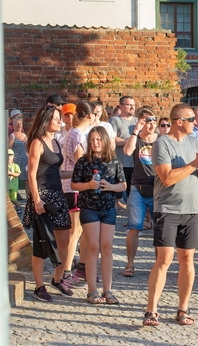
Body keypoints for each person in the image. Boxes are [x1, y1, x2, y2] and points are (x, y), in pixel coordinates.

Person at [143, 103, 198, 327]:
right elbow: (167, 178)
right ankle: (151, 310)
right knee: (164, 260)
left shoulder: (194, 141)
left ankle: (183, 309)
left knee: (187, 260)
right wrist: (195, 163)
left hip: (192, 208)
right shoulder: (161, 143)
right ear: (179, 121)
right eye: (191, 119)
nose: (196, 122)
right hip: (168, 208)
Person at [22, 105, 73, 300]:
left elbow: (57, 173)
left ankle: (57, 279)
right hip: (42, 196)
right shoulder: (37, 142)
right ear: (46, 121)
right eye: (56, 119)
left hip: (57, 194)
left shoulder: (56, 143)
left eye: (59, 118)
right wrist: (36, 200)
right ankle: (38, 286)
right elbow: (31, 173)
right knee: (42, 243)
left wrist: (76, 173)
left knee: (65, 240)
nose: (59, 121)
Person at [71, 126, 126, 304]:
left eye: (98, 139)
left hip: (109, 208)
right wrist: (88, 185)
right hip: (89, 207)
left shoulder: (114, 161)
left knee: (107, 247)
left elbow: (123, 185)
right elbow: (74, 185)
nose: (95, 143)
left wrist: (110, 187)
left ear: (104, 140)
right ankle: (92, 290)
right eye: (92, 140)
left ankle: (108, 290)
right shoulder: (83, 161)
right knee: (93, 246)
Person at [121, 107, 158, 278]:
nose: (151, 124)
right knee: (134, 228)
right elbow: (127, 151)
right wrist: (135, 131)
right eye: (147, 121)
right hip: (138, 187)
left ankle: (159, 265)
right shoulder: (136, 139)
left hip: (158, 188)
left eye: (153, 120)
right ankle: (130, 264)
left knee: (160, 228)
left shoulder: (161, 140)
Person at [60, 101, 93, 286]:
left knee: (79, 231)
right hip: (74, 188)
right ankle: (67, 272)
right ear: (89, 116)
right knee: (75, 232)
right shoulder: (77, 134)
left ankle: (79, 267)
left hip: (72, 186)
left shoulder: (73, 133)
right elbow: (81, 162)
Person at [109, 95, 138, 204]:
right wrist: (128, 142)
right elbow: (112, 138)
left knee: (133, 195)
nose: (132, 107)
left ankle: (131, 219)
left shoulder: (138, 121)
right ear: (120, 106)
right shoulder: (115, 120)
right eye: (129, 105)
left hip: (135, 163)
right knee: (117, 196)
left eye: (133, 105)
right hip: (121, 163)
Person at [8, 110, 28, 201]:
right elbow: (9, 149)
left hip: (25, 160)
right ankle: (14, 197)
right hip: (16, 160)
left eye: (20, 123)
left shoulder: (24, 135)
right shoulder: (12, 136)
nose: (19, 125)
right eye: (17, 123)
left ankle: (29, 198)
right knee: (15, 179)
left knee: (27, 179)